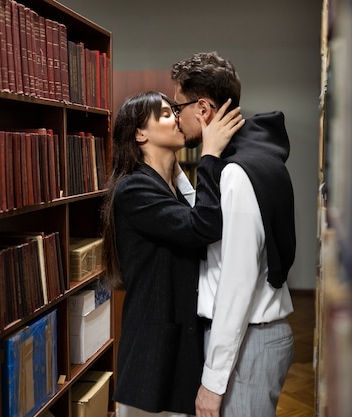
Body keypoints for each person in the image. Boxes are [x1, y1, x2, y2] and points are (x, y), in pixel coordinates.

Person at [100, 91, 245, 417]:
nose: (177, 118)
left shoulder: (168, 187)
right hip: (152, 357)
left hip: (177, 351)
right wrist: (208, 156)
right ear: (141, 134)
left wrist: (179, 170)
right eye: (166, 114)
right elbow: (203, 225)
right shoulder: (134, 189)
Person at [171, 52, 296, 417]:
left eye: (179, 107)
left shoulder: (236, 174)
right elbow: (214, 225)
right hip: (250, 340)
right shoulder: (252, 155)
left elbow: (236, 284)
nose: (176, 118)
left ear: (204, 109)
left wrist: (212, 382)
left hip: (247, 345)